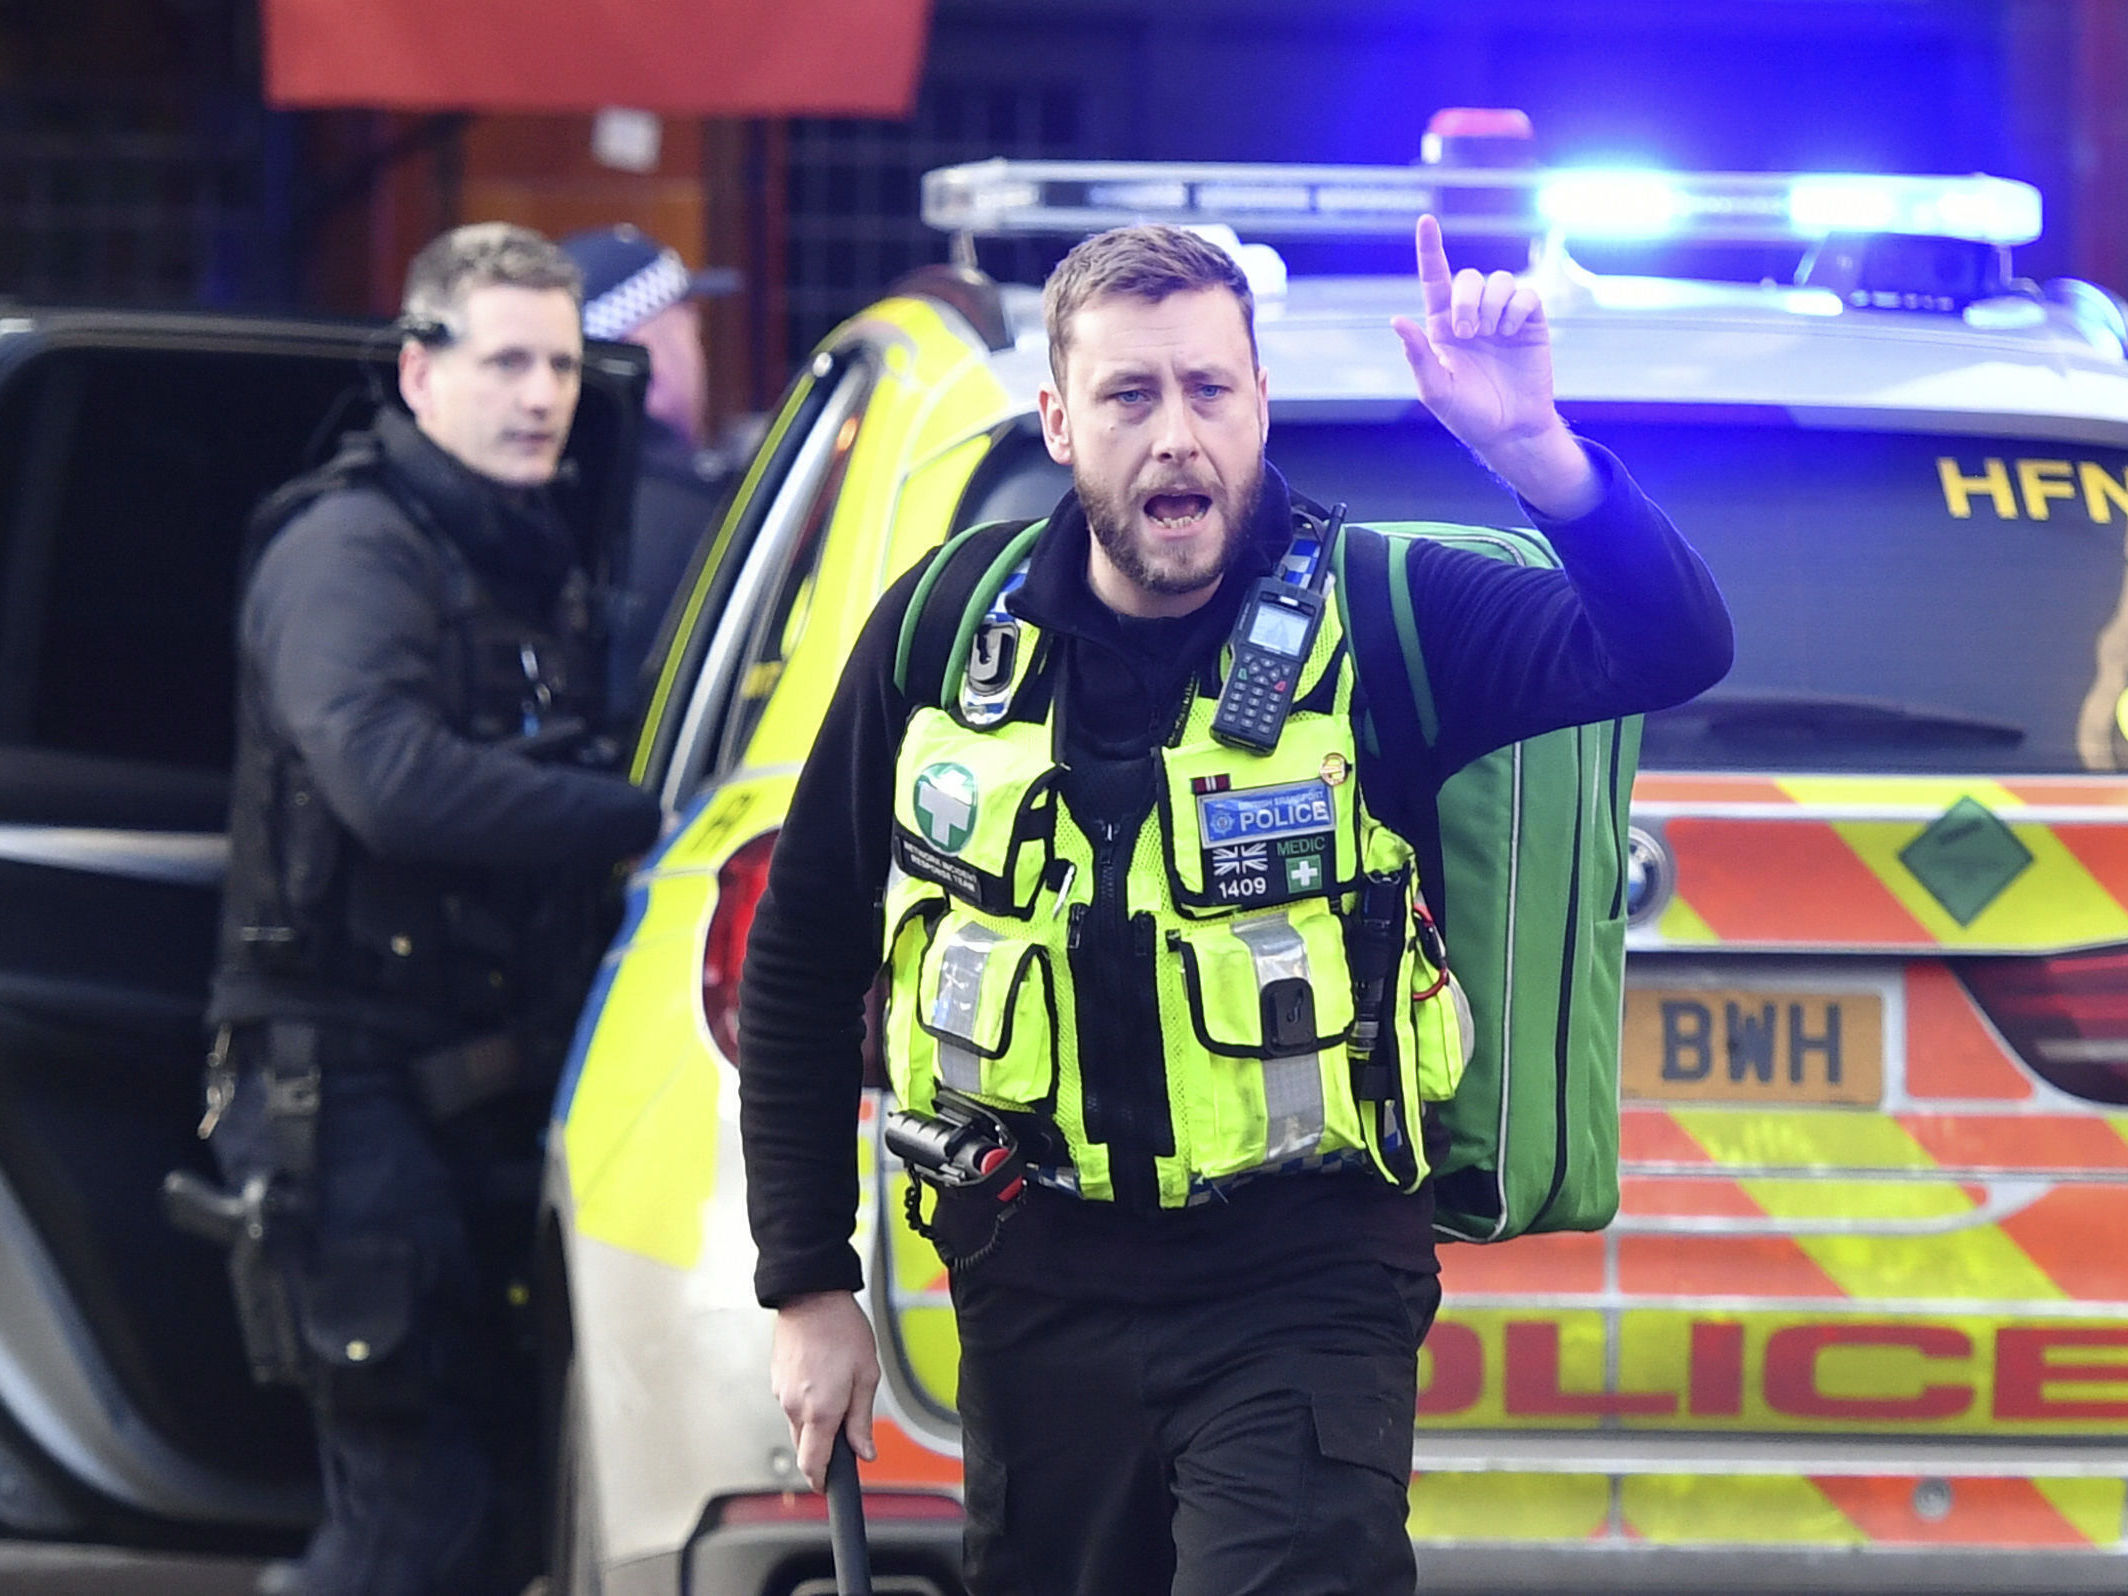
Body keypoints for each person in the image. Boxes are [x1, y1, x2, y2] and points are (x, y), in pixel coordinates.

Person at [737, 218, 1732, 1595]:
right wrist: (806, 1283)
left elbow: (1672, 643)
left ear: (1259, 404)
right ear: (1059, 420)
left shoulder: (1384, 615)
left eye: (1210, 390)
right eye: (1129, 396)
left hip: (1305, 1286)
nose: (1177, 436)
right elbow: (803, 947)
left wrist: (1533, 450)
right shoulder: (948, 628)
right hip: (1033, 1290)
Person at [202, 222, 664, 1596]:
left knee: (491, 1519)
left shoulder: (522, 554)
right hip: (338, 1092)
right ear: (419, 372)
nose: (542, 396)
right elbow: (387, 785)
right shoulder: (352, 551)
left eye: (565, 366)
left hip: (468, 1092)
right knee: (417, 1522)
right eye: (508, 360)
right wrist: (645, 822)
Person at [557, 223, 740, 717]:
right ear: (650, 357)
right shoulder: (699, 511)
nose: (700, 345)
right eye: (687, 322)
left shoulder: (546, 494)